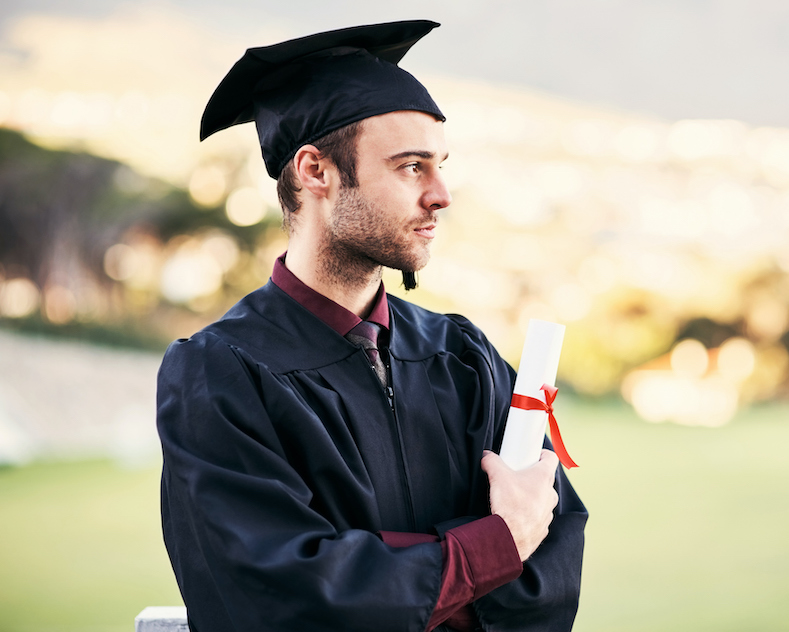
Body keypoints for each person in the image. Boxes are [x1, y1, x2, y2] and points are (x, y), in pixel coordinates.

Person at [157, 20, 588, 632]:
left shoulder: (462, 355)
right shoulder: (221, 372)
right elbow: (280, 601)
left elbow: (552, 567)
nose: (441, 195)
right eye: (411, 166)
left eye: (440, 165)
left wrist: (388, 573)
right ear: (315, 172)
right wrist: (491, 549)